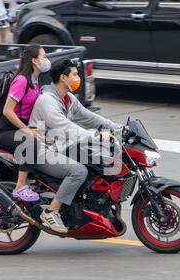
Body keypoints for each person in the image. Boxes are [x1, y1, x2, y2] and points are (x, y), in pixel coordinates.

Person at [28, 58, 122, 233]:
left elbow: (89, 117)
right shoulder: (47, 101)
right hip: (41, 151)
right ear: (63, 78)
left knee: (97, 160)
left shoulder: (67, 98)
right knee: (78, 171)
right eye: (75, 74)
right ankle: (51, 211)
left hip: (60, 147)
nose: (77, 77)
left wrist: (117, 128)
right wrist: (97, 136)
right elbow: (67, 128)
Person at [0, 45, 51, 202]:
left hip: (18, 127)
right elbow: (7, 111)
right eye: (44, 57)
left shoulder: (35, 80)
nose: (46, 60)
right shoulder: (22, 80)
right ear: (34, 61)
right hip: (3, 130)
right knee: (31, 142)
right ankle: (20, 188)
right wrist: (27, 130)